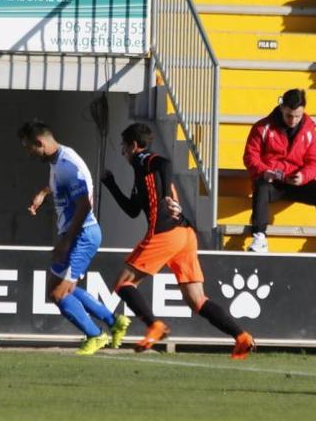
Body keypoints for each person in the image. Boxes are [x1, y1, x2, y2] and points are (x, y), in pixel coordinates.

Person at [101, 123, 255, 360]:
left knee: (123, 284)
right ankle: (241, 337)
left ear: (133, 145)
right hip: (185, 235)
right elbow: (133, 210)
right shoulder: (142, 173)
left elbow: (165, 163)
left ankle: (154, 325)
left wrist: (164, 197)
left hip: (165, 233)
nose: (123, 152)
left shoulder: (145, 160)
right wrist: (111, 185)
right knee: (196, 299)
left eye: (124, 147)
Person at [18, 120, 130, 355]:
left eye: (30, 148)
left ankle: (96, 335)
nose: (29, 153)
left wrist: (66, 240)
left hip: (82, 235)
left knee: (59, 293)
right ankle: (113, 321)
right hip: (75, 233)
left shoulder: (68, 163)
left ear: (40, 142)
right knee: (56, 290)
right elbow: (62, 186)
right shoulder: (58, 161)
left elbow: (84, 205)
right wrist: (42, 193)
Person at [242, 89, 316, 254]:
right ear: (281, 108)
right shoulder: (262, 127)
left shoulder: (309, 131)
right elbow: (250, 157)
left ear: (303, 111)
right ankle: (259, 237)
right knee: (261, 187)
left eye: (297, 116)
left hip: (298, 182)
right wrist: (264, 172)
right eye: (289, 115)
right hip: (271, 182)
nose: (293, 120)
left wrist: (303, 176)